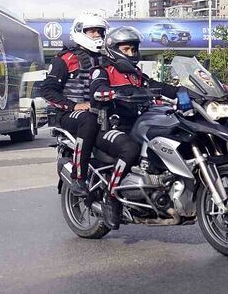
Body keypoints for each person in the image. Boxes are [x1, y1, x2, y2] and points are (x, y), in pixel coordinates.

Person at [89, 26, 192, 230]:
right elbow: (97, 91)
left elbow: (157, 86)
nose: (131, 54)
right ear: (113, 49)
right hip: (110, 127)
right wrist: (116, 94)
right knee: (130, 149)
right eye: (127, 49)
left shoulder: (136, 74)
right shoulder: (102, 71)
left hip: (137, 124)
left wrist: (184, 91)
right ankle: (111, 198)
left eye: (134, 50)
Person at [41, 14, 109, 196]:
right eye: (92, 31)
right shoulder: (64, 59)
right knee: (89, 120)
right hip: (69, 114)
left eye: (99, 31)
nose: (97, 35)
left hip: (103, 111)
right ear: (80, 32)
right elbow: (47, 91)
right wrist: (73, 106)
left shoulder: (108, 58)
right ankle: (79, 176)